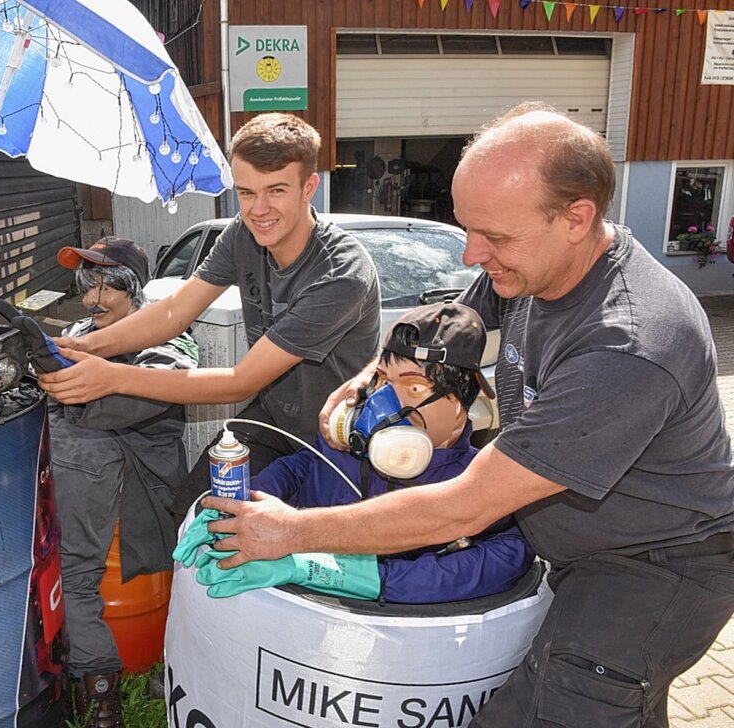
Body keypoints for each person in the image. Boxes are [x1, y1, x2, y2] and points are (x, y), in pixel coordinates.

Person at [204, 103, 734, 726]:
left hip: (654, 569)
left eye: (496, 237)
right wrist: (370, 374)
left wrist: (291, 532)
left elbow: (466, 505)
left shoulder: (629, 343)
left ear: (577, 218)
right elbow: (440, 329)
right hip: (587, 550)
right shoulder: (527, 269)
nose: (471, 255)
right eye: (467, 230)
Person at [38, 113, 380, 526]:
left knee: (274, 546)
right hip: (274, 416)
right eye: (246, 193)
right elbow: (170, 311)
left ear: (310, 186)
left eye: (276, 191)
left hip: (337, 435)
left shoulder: (340, 273)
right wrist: (84, 346)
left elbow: (241, 381)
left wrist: (109, 377)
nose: (259, 209)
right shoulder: (242, 234)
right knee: (192, 517)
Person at [181, 302, 533, 604]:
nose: (382, 402)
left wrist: (335, 572)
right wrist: (244, 511)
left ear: (461, 405)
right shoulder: (349, 448)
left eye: (412, 386)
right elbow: (303, 468)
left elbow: (508, 556)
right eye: (381, 381)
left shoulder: (475, 483)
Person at [48, 237, 198, 728]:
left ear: (133, 289)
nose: (92, 299)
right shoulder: (78, 328)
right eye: (86, 286)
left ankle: (101, 695)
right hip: (75, 483)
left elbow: (124, 404)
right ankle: (91, 679)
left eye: (105, 286)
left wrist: (65, 384)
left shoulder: (168, 340)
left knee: (76, 570)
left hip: (134, 488)